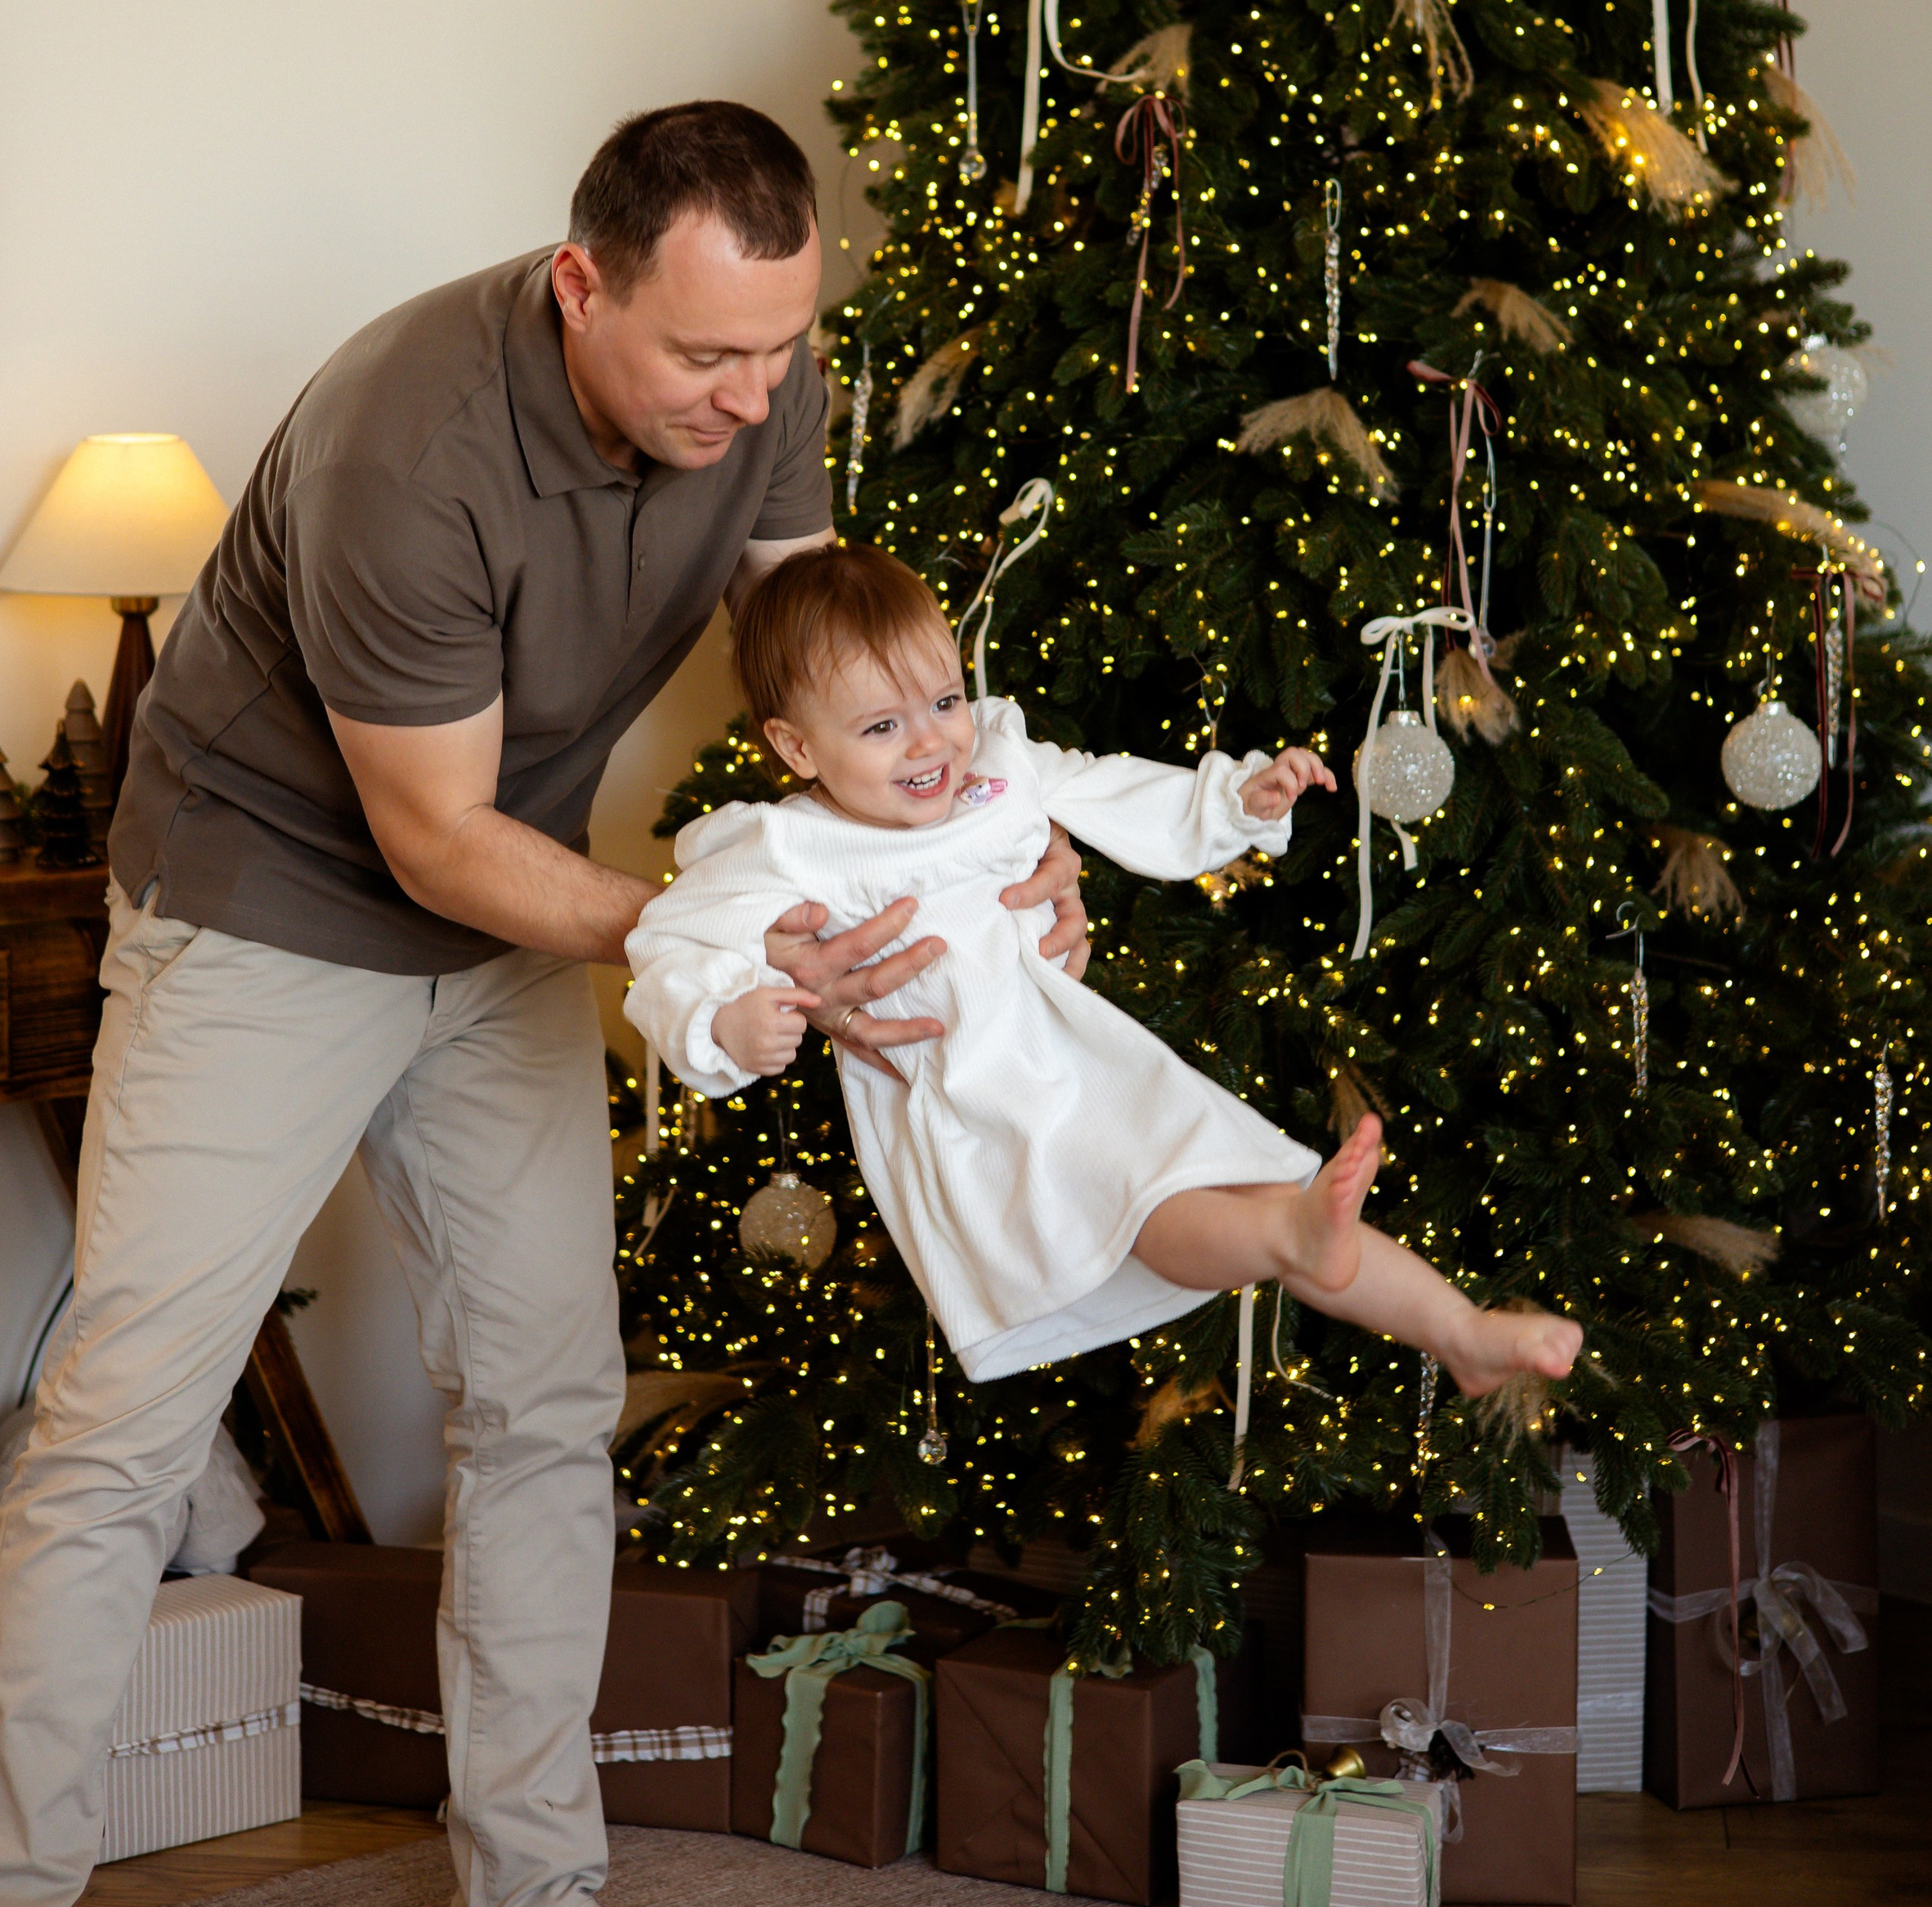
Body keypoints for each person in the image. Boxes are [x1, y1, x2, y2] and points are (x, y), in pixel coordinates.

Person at [0, 104, 1089, 1907]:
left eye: (775, 355)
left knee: (547, 1400)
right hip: (265, 911)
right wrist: (719, 941)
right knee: (117, 1435)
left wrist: (1000, 851)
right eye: (701, 366)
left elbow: (817, 680)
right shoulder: (409, 436)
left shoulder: (761, 345)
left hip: (513, 911)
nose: (749, 400)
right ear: (581, 283)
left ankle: (528, 1890)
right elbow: (429, 840)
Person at [626, 540, 1585, 1393]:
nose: (930, 741)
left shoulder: (996, 774)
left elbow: (1111, 788)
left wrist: (1237, 803)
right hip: (984, 1105)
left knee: (1255, 1190)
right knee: (1176, 1210)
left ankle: (1460, 1332)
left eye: (945, 701)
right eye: (880, 728)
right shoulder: (786, 850)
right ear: (795, 747)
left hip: (1082, 1057)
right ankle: (1300, 1245)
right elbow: (673, 943)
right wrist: (721, 1023)